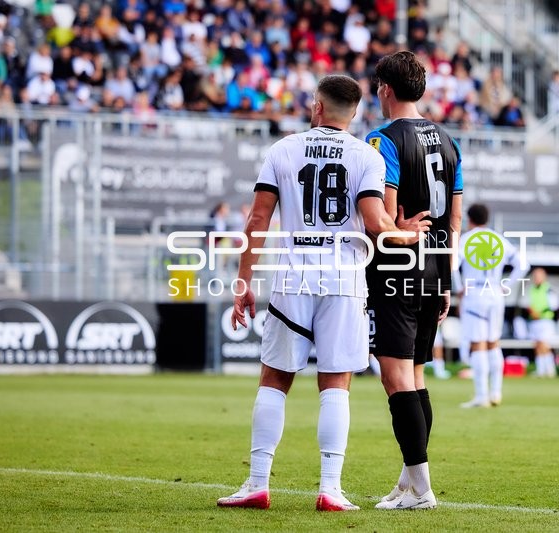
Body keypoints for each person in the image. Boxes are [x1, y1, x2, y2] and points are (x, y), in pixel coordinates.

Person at [216, 75, 431, 512]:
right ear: (353, 113)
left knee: (274, 379)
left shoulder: (282, 149)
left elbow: (257, 222)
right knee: (336, 384)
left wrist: (243, 282)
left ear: (317, 106)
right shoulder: (364, 156)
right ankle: (330, 489)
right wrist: (403, 234)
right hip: (343, 280)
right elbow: (375, 223)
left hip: (294, 276)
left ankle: (258, 483)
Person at [365, 50, 463, 510]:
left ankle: (422, 490)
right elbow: (455, 220)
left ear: (385, 88)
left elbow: (382, 217)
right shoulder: (448, 141)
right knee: (417, 376)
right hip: (435, 268)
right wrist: (445, 277)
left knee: (395, 377)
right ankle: (409, 482)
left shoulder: (382, 139)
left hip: (395, 268)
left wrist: (398, 232)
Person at [457, 203, 526, 408]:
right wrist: (507, 286)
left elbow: (453, 264)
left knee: (478, 343)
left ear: (469, 220)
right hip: (495, 292)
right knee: (494, 342)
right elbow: (523, 265)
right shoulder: (499, 239)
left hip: (475, 292)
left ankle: (481, 396)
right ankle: (496, 392)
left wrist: (459, 286)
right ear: (487, 219)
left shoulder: (467, 239)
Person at [528, 267, 558, 377]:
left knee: (544, 345)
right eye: (535, 276)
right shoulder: (532, 289)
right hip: (534, 321)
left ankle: (550, 369)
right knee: (537, 346)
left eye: (538, 276)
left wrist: (540, 313)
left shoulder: (548, 289)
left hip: (545, 321)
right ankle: (540, 370)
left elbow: (554, 306)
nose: (536, 278)